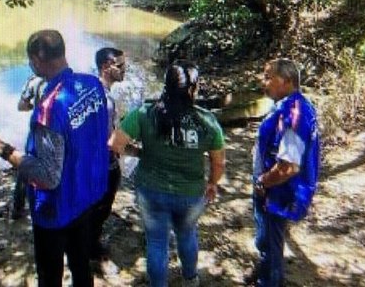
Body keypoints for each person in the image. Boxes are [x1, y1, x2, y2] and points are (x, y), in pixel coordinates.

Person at [0, 30, 109, 287]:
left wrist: (0, 147)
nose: (30, 65)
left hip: (56, 208)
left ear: (38, 60)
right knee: (81, 264)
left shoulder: (50, 108)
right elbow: (98, 134)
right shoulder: (92, 84)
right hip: (87, 194)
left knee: (50, 276)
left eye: (30, 60)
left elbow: (47, 176)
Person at [109, 61, 225, 287]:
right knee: (187, 234)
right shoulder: (207, 121)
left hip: (151, 191)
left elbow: (115, 144)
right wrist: (212, 183)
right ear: (192, 89)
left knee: (157, 242)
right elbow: (218, 162)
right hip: (190, 193)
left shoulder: (145, 112)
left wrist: (140, 152)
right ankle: (190, 279)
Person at [250, 58, 320, 287]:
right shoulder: (291, 105)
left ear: (287, 81)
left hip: (278, 191)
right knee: (266, 237)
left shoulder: (295, 115)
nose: (264, 82)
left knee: (271, 242)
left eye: (269, 77)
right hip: (274, 188)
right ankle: (264, 271)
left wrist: (262, 182)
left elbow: (288, 167)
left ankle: (270, 280)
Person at [89, 47, 126, 260]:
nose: (124, 70)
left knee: (93, 206)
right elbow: (111, 141)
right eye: (120, 66)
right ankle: (91, 247)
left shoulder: (94, 90)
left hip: (91, 162)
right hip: (104, 164)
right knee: (101, 208)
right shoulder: (106, 100)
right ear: (105, 67)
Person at [12, 74, 47, 220]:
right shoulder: (68, 78)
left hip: (37, 131)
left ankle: (18, 208)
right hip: (57, 132)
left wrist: (33, 106)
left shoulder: (34, 80)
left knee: (26, 167)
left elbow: (21, 106)